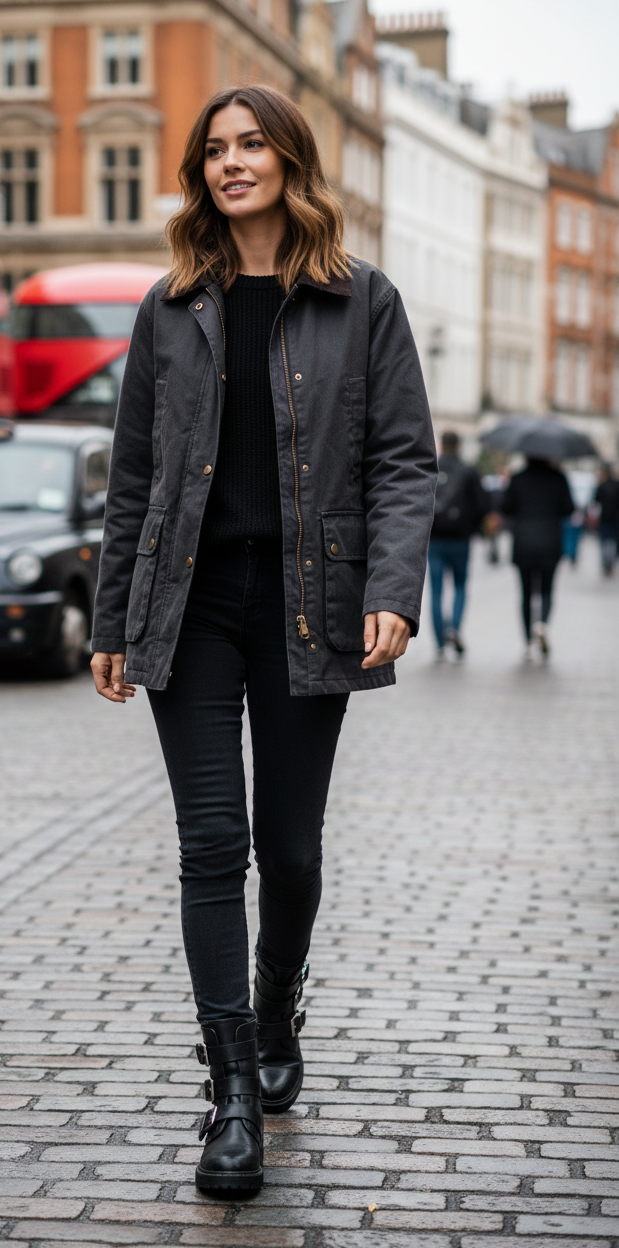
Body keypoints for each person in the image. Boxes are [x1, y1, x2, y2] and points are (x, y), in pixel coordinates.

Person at [89, 85, 437, 1193]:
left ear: (289, 158)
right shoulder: (168, 305)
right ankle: (230, 1091)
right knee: (210, 846)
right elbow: (132, 477)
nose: (231, 163)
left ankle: (279, 1003)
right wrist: (111, 617)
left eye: (250, 146)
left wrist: (390, 586)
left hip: (306, 602)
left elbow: (400, 459)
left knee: (287, 851)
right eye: (215, 151)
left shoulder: (360, 299)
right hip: (188, 607)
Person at [502, 457, 574, 659]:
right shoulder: (559, 478)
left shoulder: (518, 479)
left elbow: (505, 507)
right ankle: (541, 624)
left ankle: (527, 641)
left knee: (525, 593)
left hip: (523, 542)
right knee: (546, 590)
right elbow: (569, 508)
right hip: (550, 542)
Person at [427, 431, 489, 658]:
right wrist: (472, 528)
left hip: (434, 539)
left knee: (436, 591)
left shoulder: (430, 467)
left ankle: (440, 644)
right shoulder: (469, 471)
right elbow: (483, 505)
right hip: (461, 540)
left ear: (442, 445)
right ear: (459, 446)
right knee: (460, 586)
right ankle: (453, 627)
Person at [594, 464, 619, 576]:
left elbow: (595, 502)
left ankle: (606, 564)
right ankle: (611, 563)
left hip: (605, 518)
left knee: (604, 542)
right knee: (614, 542)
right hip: (616, 519)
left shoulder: (601, 486)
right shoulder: (617, 485)